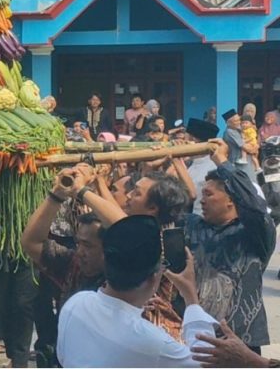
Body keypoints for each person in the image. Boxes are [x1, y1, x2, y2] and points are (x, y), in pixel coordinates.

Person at [56, 215, 217, 368]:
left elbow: (63, 357)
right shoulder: (153, 343)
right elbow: (206, 363)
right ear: (154, 277)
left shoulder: (76, 304)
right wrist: (191, 299)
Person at [184, 138, 276, 353]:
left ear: (231, 200)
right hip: (195, 336)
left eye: (209, 194)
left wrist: (223, 162)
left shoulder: (255, 234)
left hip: (241, 344)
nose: (202, 200)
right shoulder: (193, 226)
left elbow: (255, 205)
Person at [22, 182, 105, 311]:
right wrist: (56, 195)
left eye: (88, 245)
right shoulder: (73, 264)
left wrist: (84, 190)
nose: (80, 252)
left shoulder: (122, 278)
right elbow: (31, 243)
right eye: (78, 243)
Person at [186, 118, 222, 216]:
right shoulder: (193, 163)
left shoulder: (211, 166)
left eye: (186, 139)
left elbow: (191, 194)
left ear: (193, 140)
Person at [222, 108, 258, 182]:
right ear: (228, 123)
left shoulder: (238, 129)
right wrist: (254, 148)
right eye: (235, 121)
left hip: (247, 162)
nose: (239, 122)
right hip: (238, 164)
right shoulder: (230, 132)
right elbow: (246, 148)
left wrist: (255, 146)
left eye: (239, 120)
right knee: (247, 183)